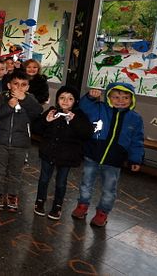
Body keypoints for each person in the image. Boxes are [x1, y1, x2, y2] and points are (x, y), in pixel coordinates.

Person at [72, 83, 144, 227]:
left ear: (131, 100)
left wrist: (135, 159)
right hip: (92, 155)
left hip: (114, 161)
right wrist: (90, 97)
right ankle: (82, 205)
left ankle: (102, 213)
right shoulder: (99, 108)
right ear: (109, 97)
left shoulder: (135, 118)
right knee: (86, 183)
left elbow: (137, 140)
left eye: (125, 97)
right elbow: (83, 107)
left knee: (109, 189)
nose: (120, 100)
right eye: (116, 97)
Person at [32, 86, 93, 220]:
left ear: (75, 101)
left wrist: (74, 121)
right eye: (62, 98)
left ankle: (57, 206)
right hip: (48, 152)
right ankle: (40, 201)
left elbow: (87, 133)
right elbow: (36, 129)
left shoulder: (79, 115)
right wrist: (46, 121)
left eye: (70, 99)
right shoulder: (52, 111)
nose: (65, 101)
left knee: (61, 182)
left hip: (67, 156)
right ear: (57, 99)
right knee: (44, 179)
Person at [0, 71, 43, 212]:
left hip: (21, 143)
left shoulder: (30, 99)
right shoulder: (2, 97)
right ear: (9, 85)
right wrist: (9, 105)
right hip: (1, 140)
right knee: (0, 171)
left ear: (28, 87)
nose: (19, 87)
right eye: (16, 84)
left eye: (23, 85)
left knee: (16, 172)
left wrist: (24, 99)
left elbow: (38, 111)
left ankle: (13, 195)